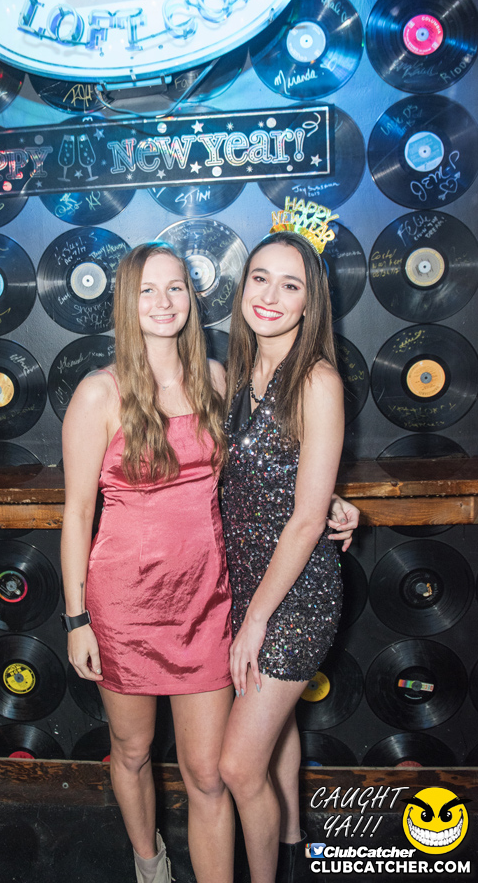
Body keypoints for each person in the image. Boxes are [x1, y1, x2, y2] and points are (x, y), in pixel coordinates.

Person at [61, 241, 355, 883]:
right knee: (133, 750)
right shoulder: (97, 394)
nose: (163, 302)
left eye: (176, 288)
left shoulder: (218, 381)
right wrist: (76, 618)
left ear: (193, 299)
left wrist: (328, 500)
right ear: (126, 302)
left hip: (208, 603)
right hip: (124, 605)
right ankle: (151, 865)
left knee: (211, 773)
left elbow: (262, 466)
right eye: (147, 290)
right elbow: (77, 514)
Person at [218, 220, 346, 883]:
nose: (270, 295)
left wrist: (256, 621)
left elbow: (302, 522)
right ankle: (293, 844)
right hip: (246, 585)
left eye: (290, 285)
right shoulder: (238, 375)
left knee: (239, 766)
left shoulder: (316, 380)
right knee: (275, 731)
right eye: (260, 278)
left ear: (309, 301)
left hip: (295, 598)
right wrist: (335, 497)